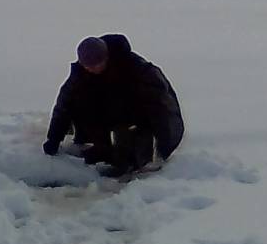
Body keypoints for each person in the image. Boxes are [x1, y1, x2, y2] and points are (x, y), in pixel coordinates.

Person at [43, 34, 184, 175]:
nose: (92, 69)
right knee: (80, 102)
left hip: (136, 116)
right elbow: (63, 106)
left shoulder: (139, 70)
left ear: (106, 57)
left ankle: (129, 154)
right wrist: (53, 139)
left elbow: (163, 109)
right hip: (109, 112)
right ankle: (102, 148)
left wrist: (163, 148)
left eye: (97, 65)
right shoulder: (80, 74)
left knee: (131, 159)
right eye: (87, 66)